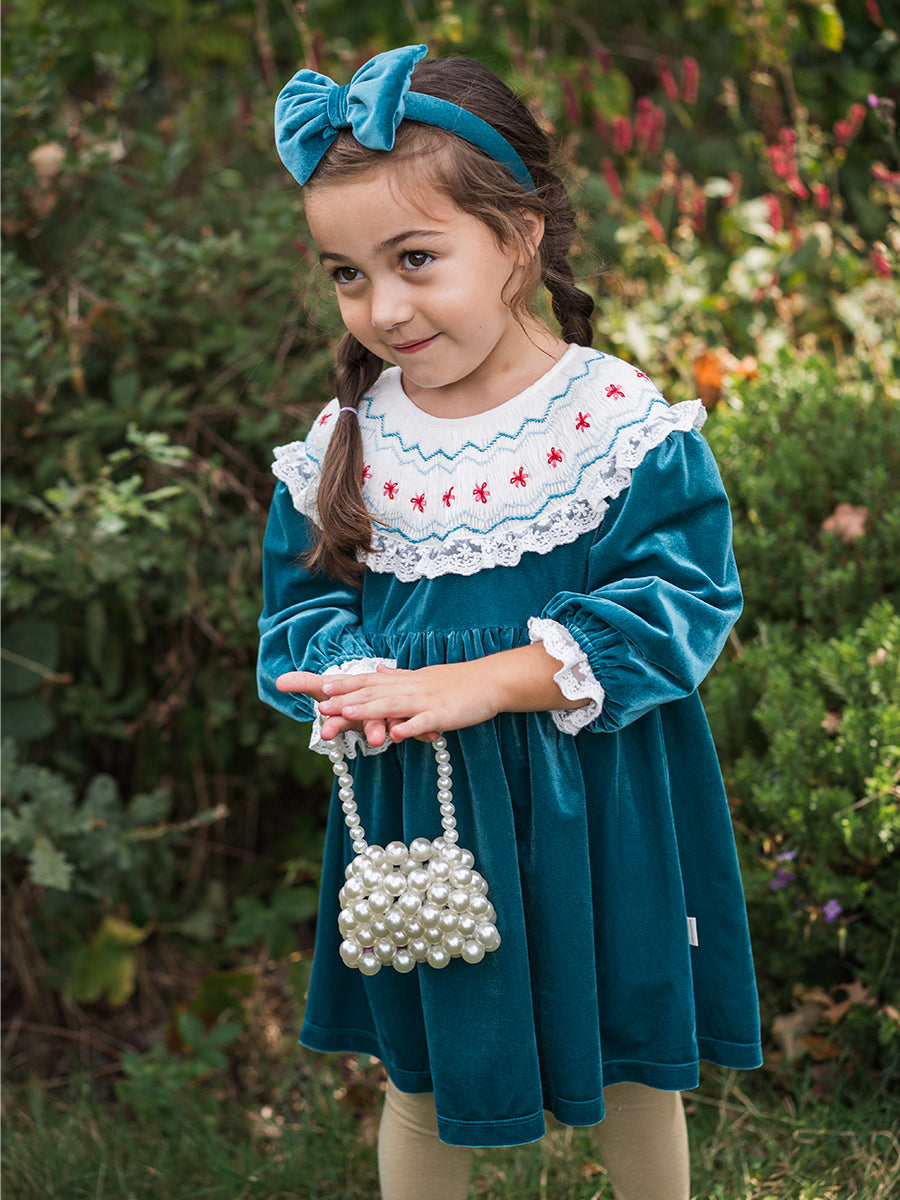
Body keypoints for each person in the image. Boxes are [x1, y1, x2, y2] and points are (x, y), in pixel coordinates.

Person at [258, 43, 762, 1200]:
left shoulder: (610, 421)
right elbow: (302, 612)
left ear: (520, 236)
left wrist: (483, 681)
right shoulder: (348, 443)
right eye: (347, 274)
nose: (383, 307)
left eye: (415, 258)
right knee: (425, 1078)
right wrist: (350, 678)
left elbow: (679, 600)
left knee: (635, 1072)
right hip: (426, 817)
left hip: (601, 806)